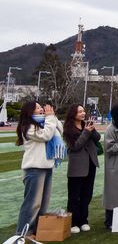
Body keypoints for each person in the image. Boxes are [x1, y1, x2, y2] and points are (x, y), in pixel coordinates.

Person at [15, 100, 63, 236]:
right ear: (29, 112)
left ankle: (37, 230)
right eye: (37, 108)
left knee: (43, 204)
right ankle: (23, 232)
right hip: (34, 168)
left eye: (41, 107)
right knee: (32, 204)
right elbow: (46, 135)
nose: (41, 109)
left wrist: (52, 116)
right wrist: (50, 118)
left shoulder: (45, 122)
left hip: (47, 167)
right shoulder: (28, 126)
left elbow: (59, 129)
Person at [63, 104, 101, 233]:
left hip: (90, 163)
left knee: (87, 194)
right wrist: (86, 132)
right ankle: (73, 222)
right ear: (73, 113)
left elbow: (97, 138)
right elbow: (75, 146)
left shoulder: (86, 125)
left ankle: (84, 220)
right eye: (80, 111)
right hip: (77, 166)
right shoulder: (68, 128)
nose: (83, 113)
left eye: (83, 111)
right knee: (74, 195)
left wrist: (92, 129)